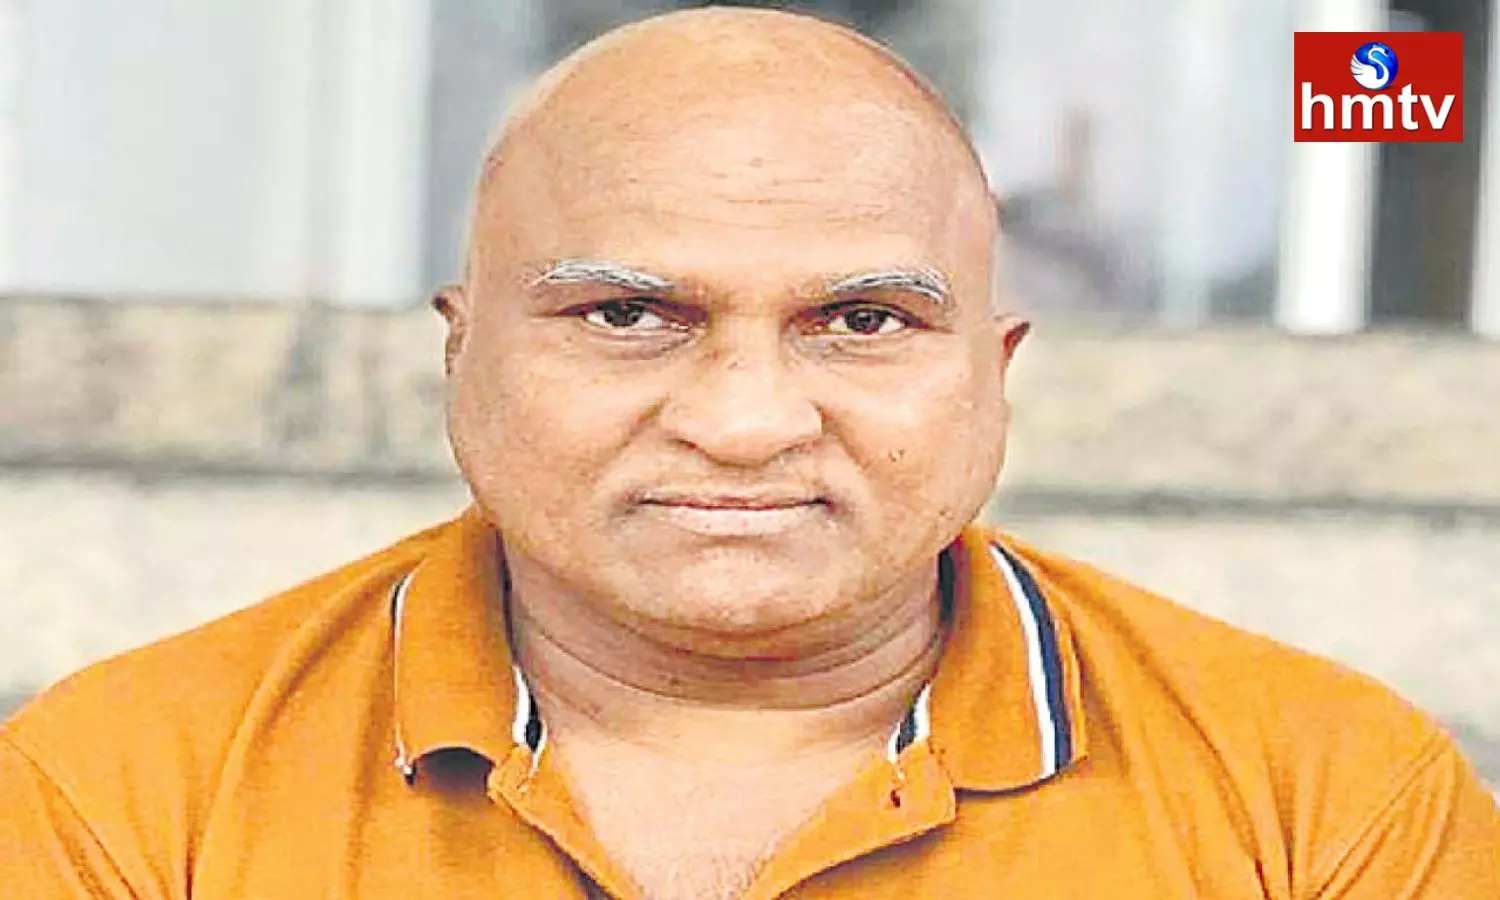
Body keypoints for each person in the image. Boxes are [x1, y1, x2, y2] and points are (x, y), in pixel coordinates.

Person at [2, 7, 1496, 899]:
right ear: (462, 352)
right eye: (628, 314)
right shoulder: (128, 791)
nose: (744, 420)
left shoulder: (1326, 800)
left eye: (862, 320)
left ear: (995, 373)